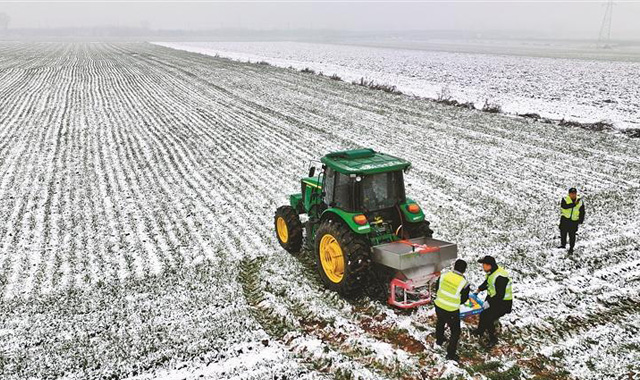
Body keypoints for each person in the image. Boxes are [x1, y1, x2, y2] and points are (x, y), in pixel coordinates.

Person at [471, 256, 512, 348]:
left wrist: (489, 303)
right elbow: (488, 282)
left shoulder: (500, 277)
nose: (482, 267)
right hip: (493, 298)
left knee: (488, 317)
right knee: (483, 313)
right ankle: (480, 331)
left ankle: (493, 338)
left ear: (489, 265)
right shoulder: (492, 273)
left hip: (503, 303)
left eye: (484, 265)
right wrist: (478, 290)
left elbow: (500, 295)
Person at [434, 259, 471, 362]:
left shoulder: (444, 276)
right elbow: (464, 299)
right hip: (451, 310)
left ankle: (439, 340)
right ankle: (450, 354)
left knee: (440, 322)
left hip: (438, 305)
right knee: (455, 331)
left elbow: (437, 288)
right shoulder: (464, 283)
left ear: (454, 267)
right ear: (464, 270)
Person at [558, 187, 585, 254]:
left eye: (574, 193)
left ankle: (571, 248)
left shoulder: (580, 201)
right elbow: (564, 206)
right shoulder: (565, 199)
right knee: (563, 232)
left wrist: (581, 220)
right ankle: (563, 245)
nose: (573, 195)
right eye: (571, 193)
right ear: (569, 194)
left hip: (574, 220)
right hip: (565, 219)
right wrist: (574, 204)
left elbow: (582, 211)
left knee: (572, 235)